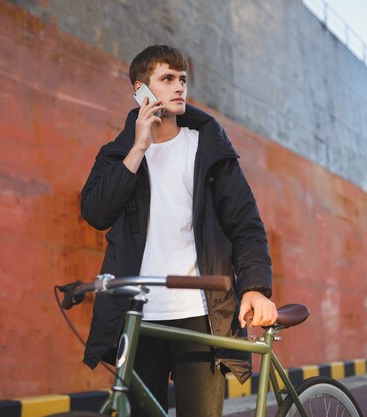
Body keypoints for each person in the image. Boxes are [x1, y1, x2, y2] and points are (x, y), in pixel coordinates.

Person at [81, 45, 277, 417]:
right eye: (167, 79)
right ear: (141, 90)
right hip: (138, 314)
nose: (178, 87)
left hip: (199, 315)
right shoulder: (117, 155)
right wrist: (138, 148)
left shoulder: (208, 150)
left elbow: (245, 223)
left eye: (182, 79)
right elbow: (95, 212)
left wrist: (255, 287)